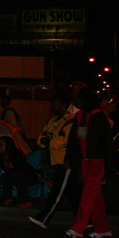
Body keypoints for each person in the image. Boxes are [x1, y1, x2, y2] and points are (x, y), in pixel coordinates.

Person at [65, 88, 115, 238]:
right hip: (85, 160)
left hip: (97, 160)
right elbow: (73, 140)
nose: (76, 101)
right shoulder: (80, 116)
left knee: (88, 193)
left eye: (79, 99)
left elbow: (107, 142)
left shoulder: (99, 117)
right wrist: (69, 157)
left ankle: (78, 227)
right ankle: (103, 228)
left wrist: (109, 164)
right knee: (95, 195)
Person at [29, 93, 75, 228]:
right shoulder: (52, 121)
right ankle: (88, 221)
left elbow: (66, 141)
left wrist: (51, 142)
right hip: (55, 162)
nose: (51, 106)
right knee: (73, 194)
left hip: (65, 162)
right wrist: (49, 142)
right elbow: (41, 139)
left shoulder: (70, 121)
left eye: (54, 103)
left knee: (57, 192)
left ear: (63, 106)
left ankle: (44, 218)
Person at [0, 136, 37, 207]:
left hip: (25, 176)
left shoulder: (17, 154)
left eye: (1, 144)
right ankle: (7, 199)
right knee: (7, 174)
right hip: (10, 176)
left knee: (16, 175)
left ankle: (25, 200)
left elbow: (22, 168)